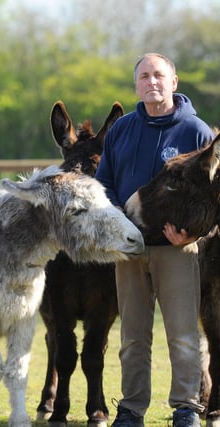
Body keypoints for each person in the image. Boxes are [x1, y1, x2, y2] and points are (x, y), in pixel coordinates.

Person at [96, 53, 215, 427]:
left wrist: (192, 234)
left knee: (182, 334)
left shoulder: (196, 131)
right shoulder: (121, 130)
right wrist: (118, 223)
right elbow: (104, 184)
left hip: (177, 252)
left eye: (159, 75)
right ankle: (131, 408)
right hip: (128, 249)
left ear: (174, 82)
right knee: (133, 336)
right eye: (144, 76)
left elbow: (216, 200)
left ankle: (186, 408)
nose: (152, 82)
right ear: (136, 85)